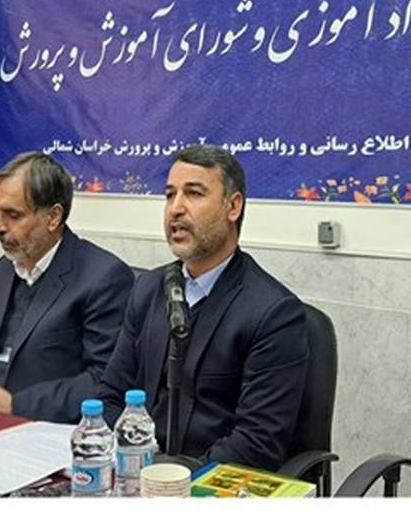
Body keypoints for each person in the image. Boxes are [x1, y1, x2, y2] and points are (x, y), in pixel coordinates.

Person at [97, 145, 309, 471]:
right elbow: (111, 397)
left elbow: (256, 444)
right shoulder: (148, 290)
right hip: (137, 473)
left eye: (194, 194)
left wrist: (172, 481)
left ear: (233, 206)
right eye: (170, 195)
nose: (176, 209)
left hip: (207, 483)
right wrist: (133, 464)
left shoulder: (274, 313)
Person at [0, 152, 134, 422]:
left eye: (13, 215)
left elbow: (104, 381)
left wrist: (17, 405)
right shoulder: (2, 270)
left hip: (47, 428)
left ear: (53, 217)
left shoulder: (104, 278)